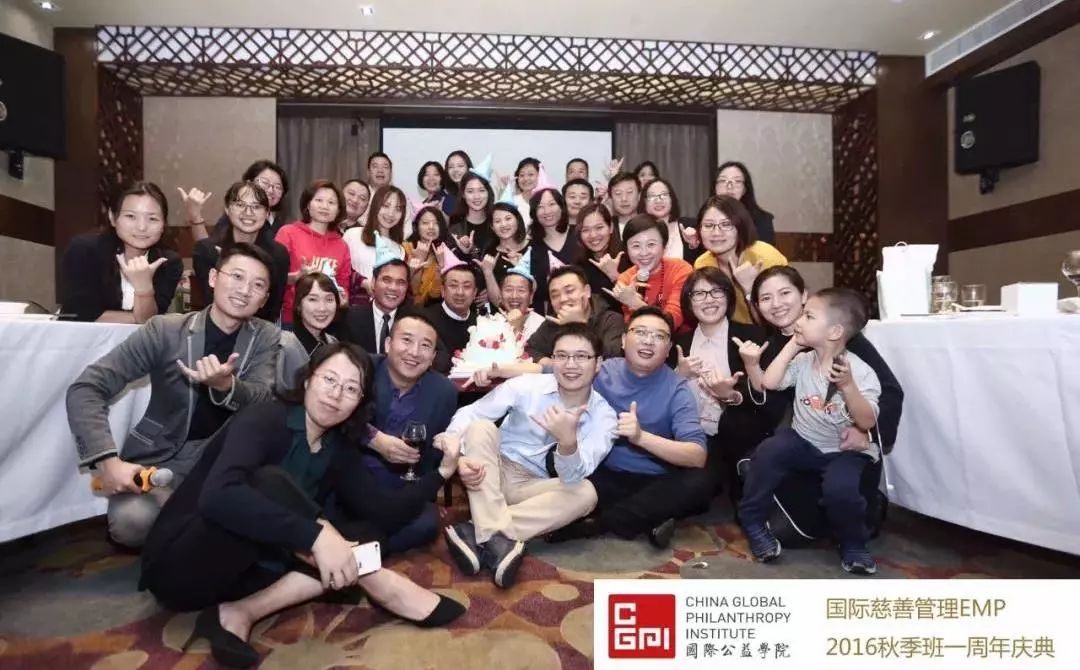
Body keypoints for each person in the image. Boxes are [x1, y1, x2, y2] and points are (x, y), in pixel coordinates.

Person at [140, 343, 465, 668]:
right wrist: (316, 536)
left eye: (351, 389)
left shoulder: (338, 444)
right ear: (308, 379)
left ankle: (241, 612)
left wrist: (441, 473)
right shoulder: (265, 418)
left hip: (251, 573)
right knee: (271, 482)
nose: (336, 395)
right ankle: (377, 581)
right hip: (183, 567)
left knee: (366, 531)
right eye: (329, 380)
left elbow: (382, 509)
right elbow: (218, 497)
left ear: (359, 402)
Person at [67, 244, 280, 548]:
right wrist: (107, 461)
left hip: (225, 460)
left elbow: (262, 399)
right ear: (213, 278)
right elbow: (87, 387)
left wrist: (226, 386)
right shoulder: (165, 330)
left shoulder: (266, 336)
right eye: (236, 277)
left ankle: (196, 523)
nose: (245, 290)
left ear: (264, 299)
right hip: (164, 458)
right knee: (132, 522)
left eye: (257, 285)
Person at [442, 323, 617, 588]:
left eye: (581, 356)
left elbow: (573, 476)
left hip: (534, 487)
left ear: (598, 364)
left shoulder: (604, 418)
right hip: (493, 470)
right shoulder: (526, 386)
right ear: (552, 359)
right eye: (562, 356)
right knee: (480, 427)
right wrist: (459, 455)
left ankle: (479, 531)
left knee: (587, 492)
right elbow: (470, 413)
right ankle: (499, 536)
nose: (570, 365)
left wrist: (568, 443)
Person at [736, 288, 881, 574]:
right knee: (768, 452)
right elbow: (770, 382)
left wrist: (848, 387)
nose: (799, 321)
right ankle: (753, 522)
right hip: (803, 440)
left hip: (843, 451)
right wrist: (793, 345)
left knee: (841, 490)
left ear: (834, 332)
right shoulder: (804, 361)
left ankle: (853, 543)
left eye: (809, 316)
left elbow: (866, 422)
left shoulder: (860, 371)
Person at [549, 307, 710, 548]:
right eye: (641, 332)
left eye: (659, 336)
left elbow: (697, 455)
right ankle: (650, 518)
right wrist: (499, 369)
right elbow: (552, 370)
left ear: (668, 349)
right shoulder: (602, 369)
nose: (648, 341)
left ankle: (598, 523)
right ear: (624, 340)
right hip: (601, 471)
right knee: (555, 453)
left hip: (653, 480)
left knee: (701, 482)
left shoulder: (677, 389)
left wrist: (641, 437)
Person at [750, 265, 904, 454]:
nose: (776, 304)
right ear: (757, 306)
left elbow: (890, 390)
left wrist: (866, 432)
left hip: (840, 443)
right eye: (766, 298)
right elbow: (771, 399)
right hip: (799, 440)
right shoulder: (768, 345)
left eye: (784, 293)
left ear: (803, 296)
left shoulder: (839, 336)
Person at [671, 268, 782, 502]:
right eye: (699, 294)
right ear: (688, 301)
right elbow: (661, 395)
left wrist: (731, 395)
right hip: (693, 435)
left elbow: (768, 398)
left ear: (729, 296)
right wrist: (678, 375)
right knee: (697, 486)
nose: (709, 299)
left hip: (740, 435)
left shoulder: (753, 337)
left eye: (716, 291)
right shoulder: (678, 344)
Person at [356, 314, 459, 554]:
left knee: (428, 524)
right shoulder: (363, 369)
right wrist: (373, 439)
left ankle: (360, 548)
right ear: (388, 344)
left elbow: (434, 453)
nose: (414, 352)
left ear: (432, 357)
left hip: (402, 487)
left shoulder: (444, 391)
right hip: (353, 477)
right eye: (406, 340)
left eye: (425, 346)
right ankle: (363, 547)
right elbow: (335, 415)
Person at [62, 181, 183, 324]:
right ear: (113, 218)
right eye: (131, 216)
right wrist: (142, 319)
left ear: (163, 224)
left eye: (152, 218)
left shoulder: (168, 262)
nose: (142, 227)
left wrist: (144, 288)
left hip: (139, 339)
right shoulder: (85, 249)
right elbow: (81, 314)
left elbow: (150, 322)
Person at [193, 181, 290, 322]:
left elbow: (272, 307)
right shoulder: (207, 250)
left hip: (260, 329)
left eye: (256, 207)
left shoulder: (278, 254)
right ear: (227, 209)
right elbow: (210, 300)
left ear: (267, 213)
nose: (248, 212)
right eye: (240, 205)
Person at [693, 195, 787, 325]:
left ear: (741, 226)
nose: (716, 233)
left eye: (726, 224)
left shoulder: (765, 257)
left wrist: (749, 289)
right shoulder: (703, 264)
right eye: (708, 225)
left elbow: (779, 321)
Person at [275, 180, 352, 327]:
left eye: (331, 202)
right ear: (308, 205)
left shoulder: (342, 245)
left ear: (338, 210)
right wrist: (296, 277)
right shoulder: (288, 233)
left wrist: (343, 299)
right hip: (290, 320)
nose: (325, 206)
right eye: (319, 200)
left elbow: (343, 285)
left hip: (326, 321)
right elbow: (271, 277)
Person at [606, 215, 693, 330]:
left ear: (664, 246)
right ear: (626, 249)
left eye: (651, 244)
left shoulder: (681, 270)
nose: (644, 253)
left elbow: (673, 320)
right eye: (636, 246)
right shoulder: (625, 279)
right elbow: (633, 328)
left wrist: (635, 303)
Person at [526, 266, 624, 363]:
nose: (563, 299)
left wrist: (579, 325)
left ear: (587, 291)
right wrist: (550, 364)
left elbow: (611, 360)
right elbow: (531, 349)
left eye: (569, 291)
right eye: (555, 295)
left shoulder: (611, 320)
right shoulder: (552, 322)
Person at [185, 159, 289, 242]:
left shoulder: (281, 225)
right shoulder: (236, 216)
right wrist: (195, 216)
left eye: (278, 187)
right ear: (249, 182)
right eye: (265, 182)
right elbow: (209, 250)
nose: (271, 190)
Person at [343, 185, 407, 306]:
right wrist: (363, 282)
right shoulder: (353, 234)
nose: (391, 213)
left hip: (383, 312)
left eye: (398, 209)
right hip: (351, 306)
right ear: (375, 206)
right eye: (386, 206)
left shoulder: (400, 250)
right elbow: (339, 267)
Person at [278, 273, 341, 391]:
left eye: (329, 299)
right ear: (298, 305)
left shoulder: (333, 343)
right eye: (313, 299)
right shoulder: (283, 347)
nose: (322, 308)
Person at [422, 255, 479, 374]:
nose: (460, 292)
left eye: (467, 287)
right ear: (443, 291)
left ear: (475, 293)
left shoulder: (481, 324)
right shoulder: (425, 321)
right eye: (453, 285)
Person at [528, 188, 581, 314]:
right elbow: (536, 293)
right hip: (550, 314)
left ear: (561, 207)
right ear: (534, 212)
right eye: (540, 207)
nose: (547, 211)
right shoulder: (532, 247)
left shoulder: (579, 234)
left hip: (584, 309)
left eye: (552, 204)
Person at [343, 259, 410, 356]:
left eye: (401, 282)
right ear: (373, 282)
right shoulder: (350, 318)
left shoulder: (415, 322)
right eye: (387, 280)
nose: (393, 287)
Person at [575, 203, 630, 315]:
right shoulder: (578, 265)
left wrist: (615, 276)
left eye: (599, 228)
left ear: (611, 227)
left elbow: (638, 302)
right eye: (586, 230)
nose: (593, 235)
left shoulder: (629, 256)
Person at [476, 201, 530, 308]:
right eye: (497, 221)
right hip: (500, 314)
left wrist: (522, 268)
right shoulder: (489, 254)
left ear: (517, 220)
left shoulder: (533, 248)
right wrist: (488, 273)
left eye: (508, 218)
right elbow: (497, 302)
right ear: (492, 227)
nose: (503, 224)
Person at [638, 178, 700, 263]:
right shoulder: (637, 232)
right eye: (652, 196)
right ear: (644, 202)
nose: (658, 200)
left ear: (672, 199)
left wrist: (694, 245)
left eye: (664, 194)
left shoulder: (690, 225)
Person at [715, 161, 775, 244]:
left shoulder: (762, 220)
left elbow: (766, 251)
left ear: (744, 189)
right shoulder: (704, 218)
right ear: (715, 187)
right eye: (723, 180)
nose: (729, 186)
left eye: (737, 181)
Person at [404, 205, 451, 307]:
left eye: (436, 223)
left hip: (428, 309)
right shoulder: (405, 249)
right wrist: (419, 260)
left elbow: (435, 295)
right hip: (405, 307)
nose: (431, 227)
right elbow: (413, 291)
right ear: (416, 226)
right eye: (425, 223)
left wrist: (440, 267)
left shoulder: (441, 253)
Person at [447, 173, 494, 262]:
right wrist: (466, 253)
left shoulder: (497, 224)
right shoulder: (455, 230)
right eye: (470, 191)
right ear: (463, 195)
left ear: (488, 192)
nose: (476, 196)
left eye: (481, 190)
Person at [606, 172, 641, 241]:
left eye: (629, 192)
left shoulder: (650, 224)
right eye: (618, 193)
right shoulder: (606, 227)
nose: (624, 199)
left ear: (639, 195)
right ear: (611, 198)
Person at [441, 150, 473, 215]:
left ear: (468, 168)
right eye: (451, 167)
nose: (455, 170)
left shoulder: (476, 192)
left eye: (460, 166)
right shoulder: (449, 198)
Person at [512, 158, 540, 227]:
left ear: (540, 176)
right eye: (522, 175)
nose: (526, 179)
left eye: (530, 174)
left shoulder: (548, 201)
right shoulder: (512, 202)